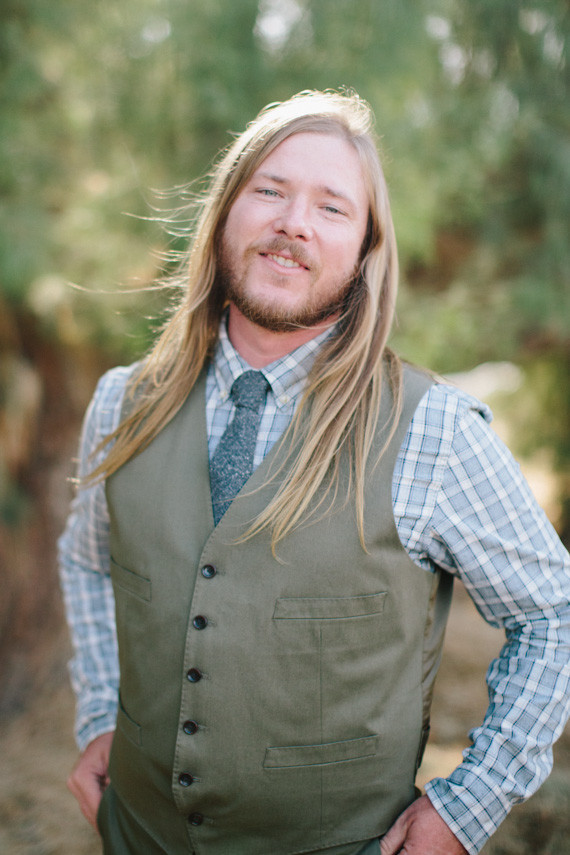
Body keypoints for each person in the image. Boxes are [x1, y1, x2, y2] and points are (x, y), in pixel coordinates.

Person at [58, 89, 570, 855]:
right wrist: (100, 709)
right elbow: (85, 559)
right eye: (269, 189)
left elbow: (553, 614)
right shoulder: (119, 405)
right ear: (225, 212)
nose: (293, 222)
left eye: (331, 207)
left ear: (366, 248)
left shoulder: (434, 430)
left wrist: (470, 804)